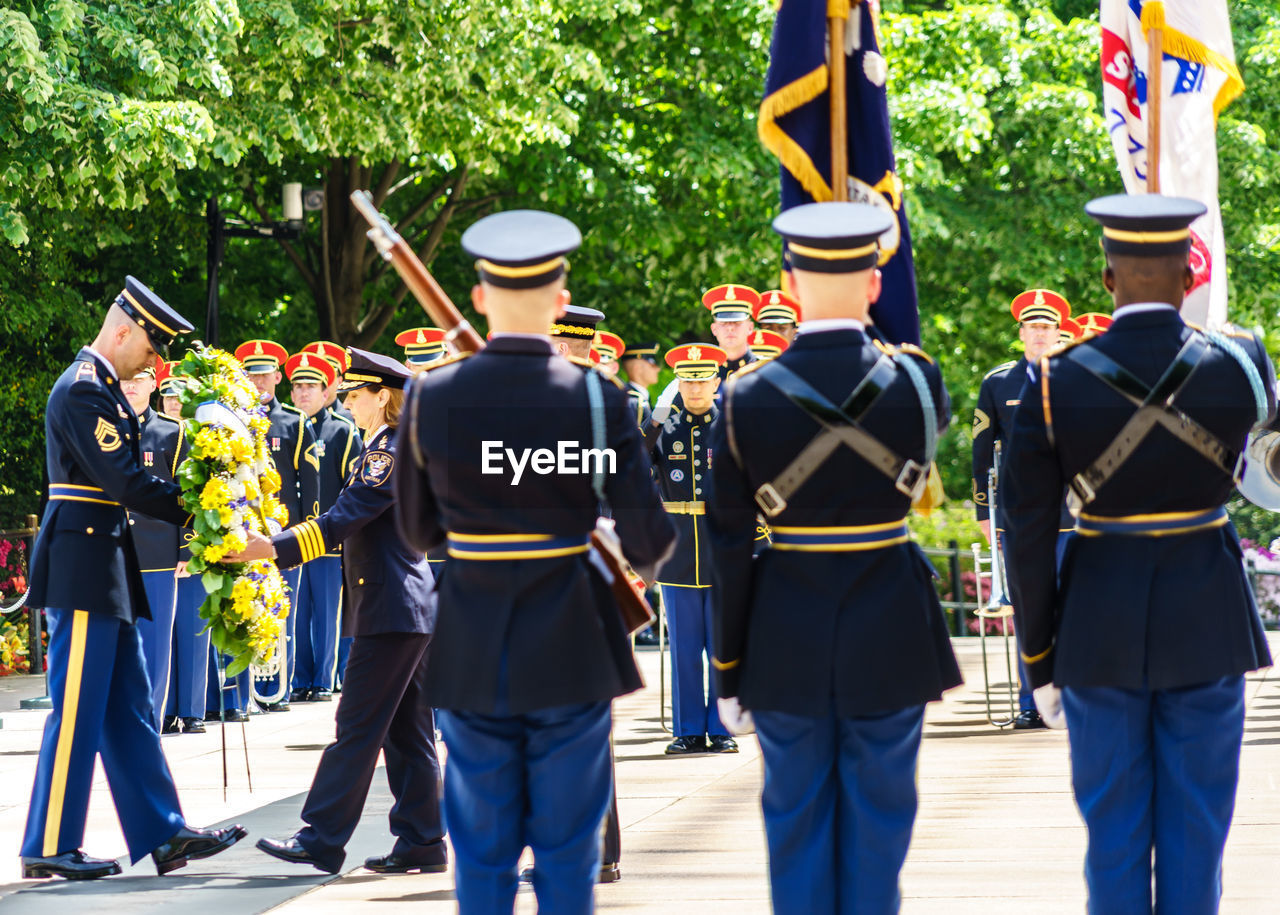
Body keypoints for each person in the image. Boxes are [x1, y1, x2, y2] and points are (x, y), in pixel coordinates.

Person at [393, 208, 676, 914]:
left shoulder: (431, 396)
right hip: (573, 640)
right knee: (566, 855)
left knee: (482, 856)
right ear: (559, 298)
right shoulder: (596, 396)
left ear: (482, 297)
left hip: (471, 635)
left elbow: (420, 532)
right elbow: (650, 539)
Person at [1001, 194, 1276, 913]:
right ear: (1191, 278)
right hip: (1209, 618)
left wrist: (1039, 659)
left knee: (1114, 839)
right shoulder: (1243, 363)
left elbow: (1026, 529)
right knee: (1197, 834)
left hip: (1098, 628)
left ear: (1106, 281)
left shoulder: (1054, 382)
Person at [708, 204, 961, 914]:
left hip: (785, 626)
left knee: (794, 825)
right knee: (881, 826)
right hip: (893, 622)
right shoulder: (917, 379)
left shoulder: (742, 397)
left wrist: (727, 670)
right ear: (876, 285)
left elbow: (728, 543)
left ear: (787, 286)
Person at [21, 276, 246, 880]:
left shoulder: (104, 390)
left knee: (128, 707)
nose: (156, 363)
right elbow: (125, 480)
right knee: (76, 711)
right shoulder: (83, 390)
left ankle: (162, 832)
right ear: (123, 332)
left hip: (103, 562)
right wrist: (206, 512)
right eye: (151, 351)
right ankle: (48, 841)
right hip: (85, 563)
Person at [238, 348, 444, 875]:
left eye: (355, 395)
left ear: (383, 396)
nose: (348, 404)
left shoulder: (388, 453)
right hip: (402, 607)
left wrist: (273, 547)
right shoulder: (385, 447)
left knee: (355, 728)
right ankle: (422, 840)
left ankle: (322, 837)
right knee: (407, 735)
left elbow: (342, 518)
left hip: (391, 607)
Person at [971, 289, 1073, 730]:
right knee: (1028, 607)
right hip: (1020, 513)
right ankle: (1030, 699)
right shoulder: (997, 383)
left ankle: (1073, 693)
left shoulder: (1079, 379)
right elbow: (980, 451)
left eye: (1046, 327)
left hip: (1072, 513)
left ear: (1058, 332)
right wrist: (982, 511)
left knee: (1074, 604)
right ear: (1021, 332)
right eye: (1032, 327)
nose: (1039, 334)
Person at [648, 343, 735, 755]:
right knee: (683, 645)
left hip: (722, 545)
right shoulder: (664, 426)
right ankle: (685, 730)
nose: (694, 388)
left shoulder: (732, 424)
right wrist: (656, 418)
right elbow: (628, 459)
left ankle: (721, 729)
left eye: (701, 380)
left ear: (716, 382)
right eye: (686, 380)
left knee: (721, 644)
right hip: (678, 546)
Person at [287, 349, 363, 701]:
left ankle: (324, 679)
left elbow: (353, 487)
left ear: (325, 390)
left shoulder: (342, 431)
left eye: (311, 386)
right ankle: (300, 679)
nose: (304, 393)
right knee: (298, 615)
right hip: (293, 539)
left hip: (330, 540)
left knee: (328, 615)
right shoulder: (286, 428)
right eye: (298, 387)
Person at [120, 362, 183, 731]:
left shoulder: (171, 430)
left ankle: (152, 721)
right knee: (119, 642)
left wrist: (187, 549)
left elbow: (187, 493)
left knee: (157, 645)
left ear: (153, 384)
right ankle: (123, 721)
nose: (130, 386)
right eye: (125, 379)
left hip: (159, 550)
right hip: (117, 549)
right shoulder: (105, 425)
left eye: (139, 379)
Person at [155, 361, 208, 734]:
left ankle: (192, 709)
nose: (174, 402)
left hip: (193, 544)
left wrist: (188, 549)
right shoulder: (152, 433)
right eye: (169, 395)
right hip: (155, 548)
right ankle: (168, 709)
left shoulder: (207, 434)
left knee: (192, 627)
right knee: (163, 635)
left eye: (181, 395)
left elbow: (197, 499)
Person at [702, 284, 759, 380]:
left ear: (750, 328)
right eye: (723, 323)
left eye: (737, 322)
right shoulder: (701, 376)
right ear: (714, 329)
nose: (730, 328)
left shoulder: (765, 372)